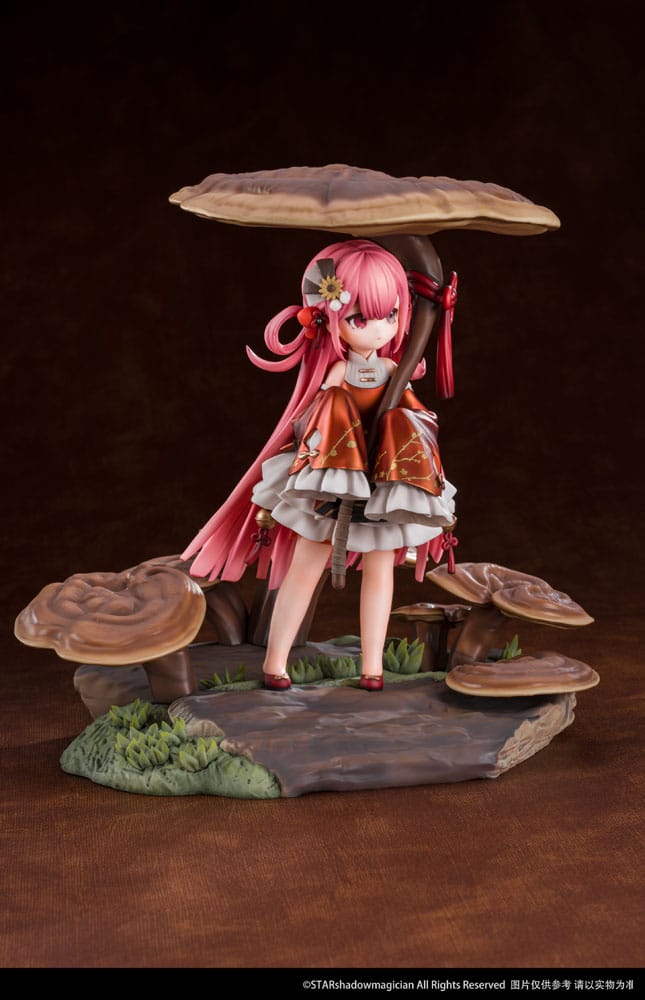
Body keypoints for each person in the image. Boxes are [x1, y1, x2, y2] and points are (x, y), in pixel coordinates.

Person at [181, 239, 457, 691]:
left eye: (390, 315)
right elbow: (319, 421)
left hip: (383, 486)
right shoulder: (336, 376)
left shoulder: (394, 374)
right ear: (331, 317)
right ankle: (275, 662)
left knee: (381, 570)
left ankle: (373, 667)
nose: (379, 329)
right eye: (361, 319)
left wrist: (400, 434)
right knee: (305, 567)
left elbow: (414, 426)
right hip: (332, 484)